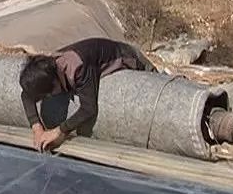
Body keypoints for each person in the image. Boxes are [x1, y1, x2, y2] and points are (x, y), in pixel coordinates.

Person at [19, 37, 157, 152]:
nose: (48, 98)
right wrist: (37, 128)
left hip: (129, 57)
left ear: (54, 83)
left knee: (156, 82)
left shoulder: (78, 67)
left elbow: (89, 108)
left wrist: (59, 131)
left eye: (48, 95)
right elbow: (26, 95)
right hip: (93, 53)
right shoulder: (46, 70)